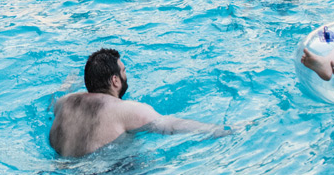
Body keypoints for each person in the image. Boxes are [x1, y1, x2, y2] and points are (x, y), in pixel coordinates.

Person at [49, 48, 231, 158]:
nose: (125, 75)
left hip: (59, 167)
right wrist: (219, 129)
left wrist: (67, 84)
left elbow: (53, 100)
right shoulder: (126, 110)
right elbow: (171, 126)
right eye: (123, 71)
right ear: (115, 81)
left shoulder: (64, 102)